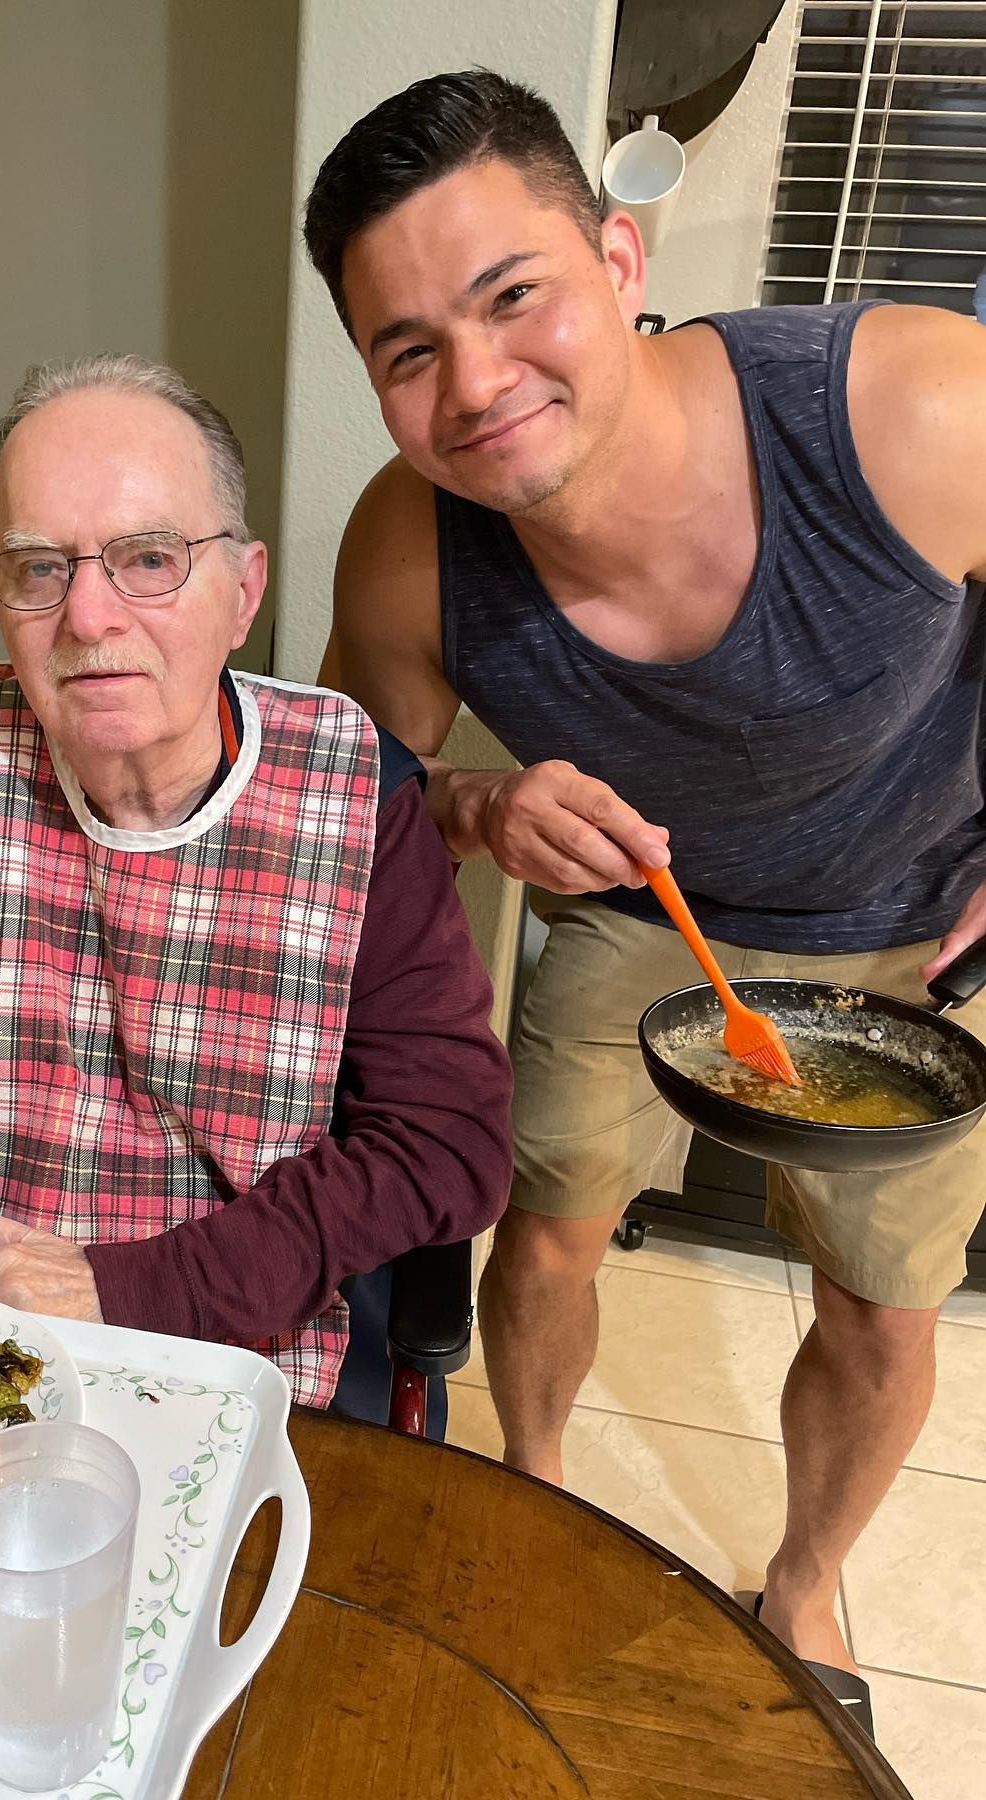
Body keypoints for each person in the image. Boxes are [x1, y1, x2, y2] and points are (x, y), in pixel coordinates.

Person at [303, 67, 986, 1720]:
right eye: (409, 351)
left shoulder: (913, 408)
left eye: (512, 297)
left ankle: (805, 1583)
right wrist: (477, 803)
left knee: (887, 1309)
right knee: (545, 1232)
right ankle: (536, 1494)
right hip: (634, 913)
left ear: (619, 258)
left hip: (909, 912)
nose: (477, 384)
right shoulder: (408, 549)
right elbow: (339, 816)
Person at [0, 352, 512, 1426]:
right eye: (37, 567)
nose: (87, 617)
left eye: (149, 558)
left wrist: (129, 1294)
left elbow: (446, 1141)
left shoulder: (356, 798)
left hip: (225, 1355)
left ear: (243, 591)